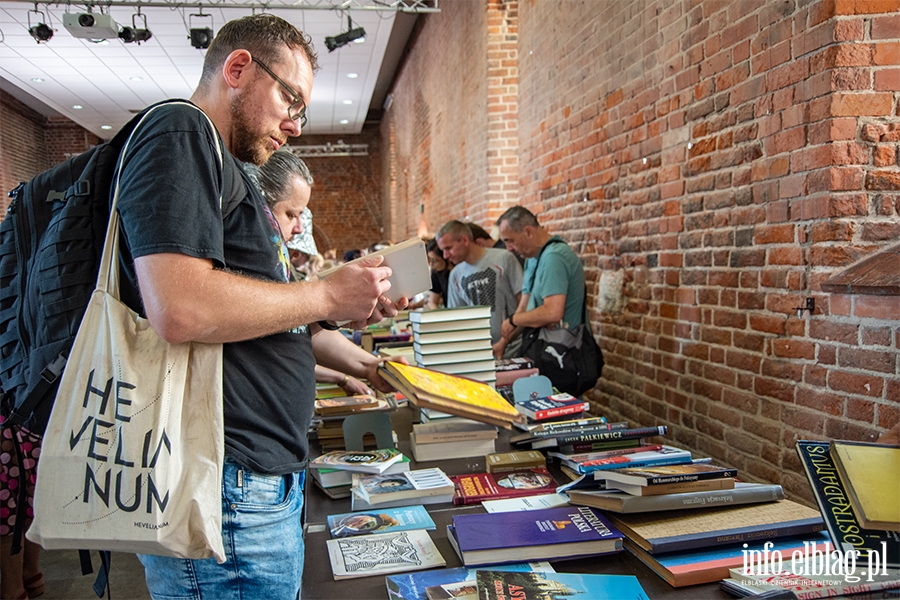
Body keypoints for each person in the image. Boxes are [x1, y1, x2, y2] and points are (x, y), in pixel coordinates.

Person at [112, 15, 404, 598]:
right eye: (290, 98)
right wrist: (324, 294)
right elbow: (181, 308)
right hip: (224, 489)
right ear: (239, 68)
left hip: (252, 484)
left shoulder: (226, 171)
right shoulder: (180, 131)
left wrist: (357, 344)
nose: (295, 124)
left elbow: (262, 321)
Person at [251, 149, 374, 397]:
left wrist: (371, 366)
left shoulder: (282, 265)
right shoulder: (248, 268)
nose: (298, 228)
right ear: (260, 205)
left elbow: (303, 330)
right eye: (290, 214)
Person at [495, 206, 586, 360]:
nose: (508, 249)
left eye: (510, 241)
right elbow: (524, 308)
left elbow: (552, 312)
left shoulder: (554, 256)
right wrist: (503, 342)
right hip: (541, 348)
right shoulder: (531, 258)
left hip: (565, 354)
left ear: (528, 232)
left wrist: (513, 320)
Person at [436, 220, 523, 357]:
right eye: (443, 251)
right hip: (479, 352)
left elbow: (523, 303)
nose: (446, 256)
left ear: (465, 240)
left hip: (513, 349)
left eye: (448, 248)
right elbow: (457, 320)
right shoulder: (455, 275)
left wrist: (506, 340)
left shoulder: (504, 258)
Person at [426, 238, 452, 310]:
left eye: (436, 260)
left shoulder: (456, 272)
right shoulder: (436, 273)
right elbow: (432, 301)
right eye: (430, 260)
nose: (432, 264)